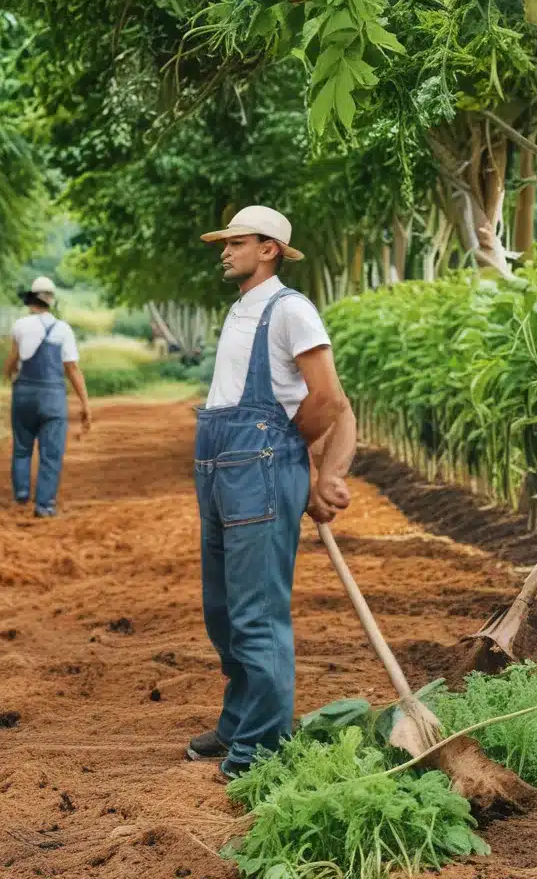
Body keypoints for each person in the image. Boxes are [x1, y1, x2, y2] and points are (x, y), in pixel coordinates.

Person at [186, 206, 357, 781]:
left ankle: (263, 747)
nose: (225, 251)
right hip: (218, 466)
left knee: (257, 612)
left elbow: (331, 399)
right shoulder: (242, 309)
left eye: (236, 242)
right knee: (223, 609)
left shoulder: (291, 310)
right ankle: (240, 720)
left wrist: (288, 448)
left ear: (269, 249)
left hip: (257, 467)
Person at [3, 276, 92, 517]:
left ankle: (21, 494)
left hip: (23, 394)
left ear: (31, 299)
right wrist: (85, 403)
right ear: (51, 300)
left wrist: (7, 375)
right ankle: (44, 504)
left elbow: (12, 361)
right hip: (52, 396)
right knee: (50, 452)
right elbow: (72, 369)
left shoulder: (20, 325)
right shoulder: (63, 330)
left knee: (22, 447)